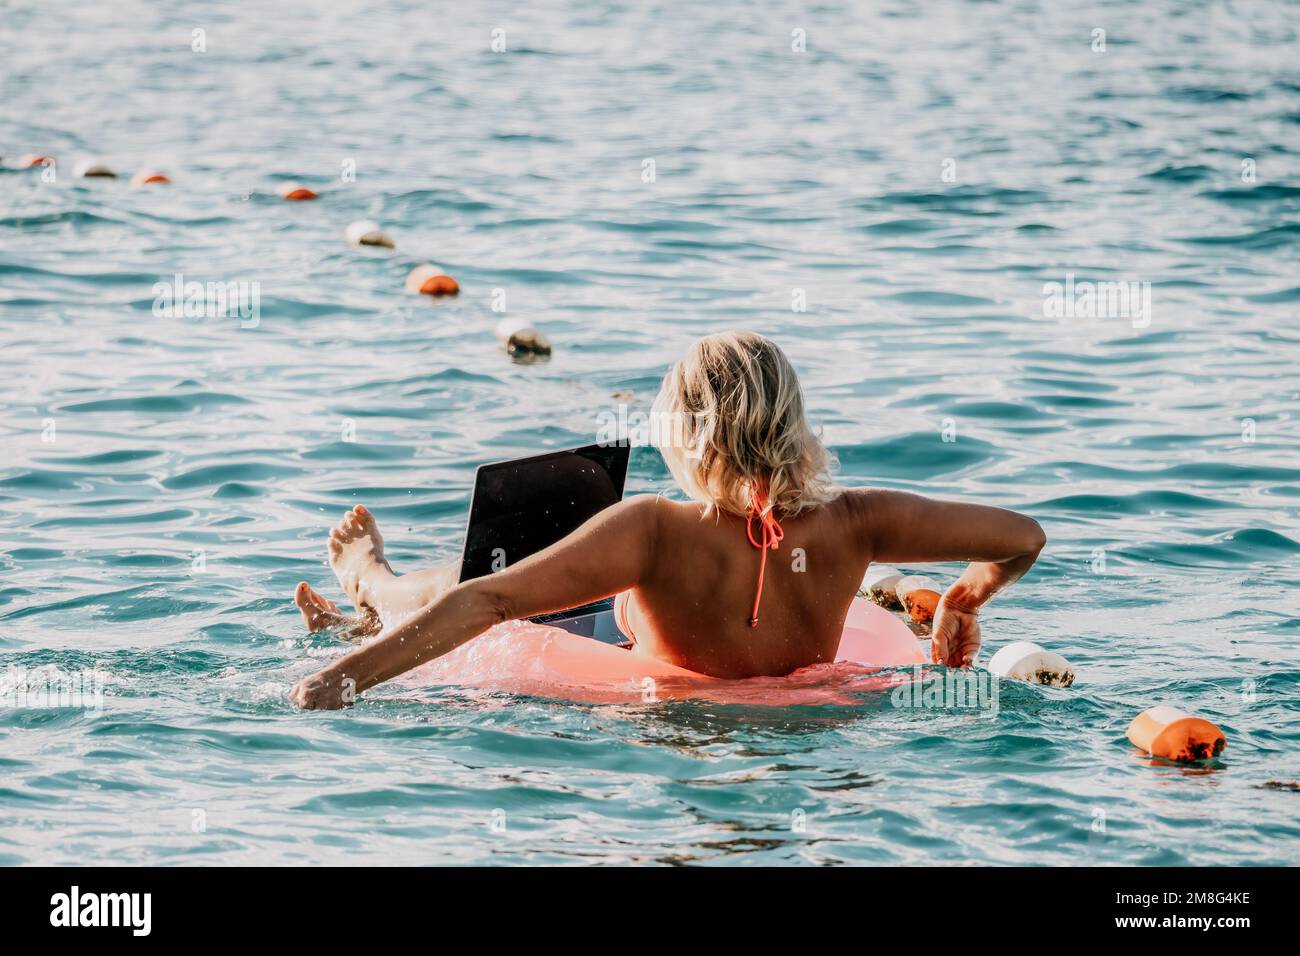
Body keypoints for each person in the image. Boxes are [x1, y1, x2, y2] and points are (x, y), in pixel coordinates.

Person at [290, 331, 1045, 709]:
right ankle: (364, 602)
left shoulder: (652, 530)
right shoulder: (859, 520)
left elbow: (489, 602)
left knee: (473, 576)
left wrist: (337, 685)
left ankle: (370, 586)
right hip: (813, 740)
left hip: (669, 728)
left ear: (682, 432)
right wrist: (962, 600)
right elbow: (1023, 537)